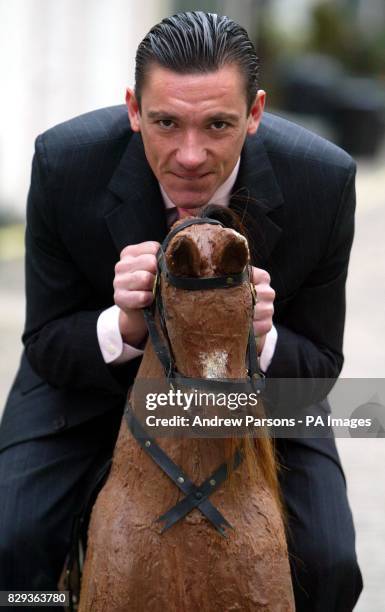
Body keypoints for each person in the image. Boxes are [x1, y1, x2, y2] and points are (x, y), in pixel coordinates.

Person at [0, 11, 362, 611]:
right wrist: (125, 325)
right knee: (14, 545)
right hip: (92, 385)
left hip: (255, 398)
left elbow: (321, 368)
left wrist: (259, 339)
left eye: (218, 124)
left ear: (255, 113)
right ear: (133, 109)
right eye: (166, 122)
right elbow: (43, 341)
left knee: (331, 565)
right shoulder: (64, 162)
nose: (190, 155)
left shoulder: (322, 180)